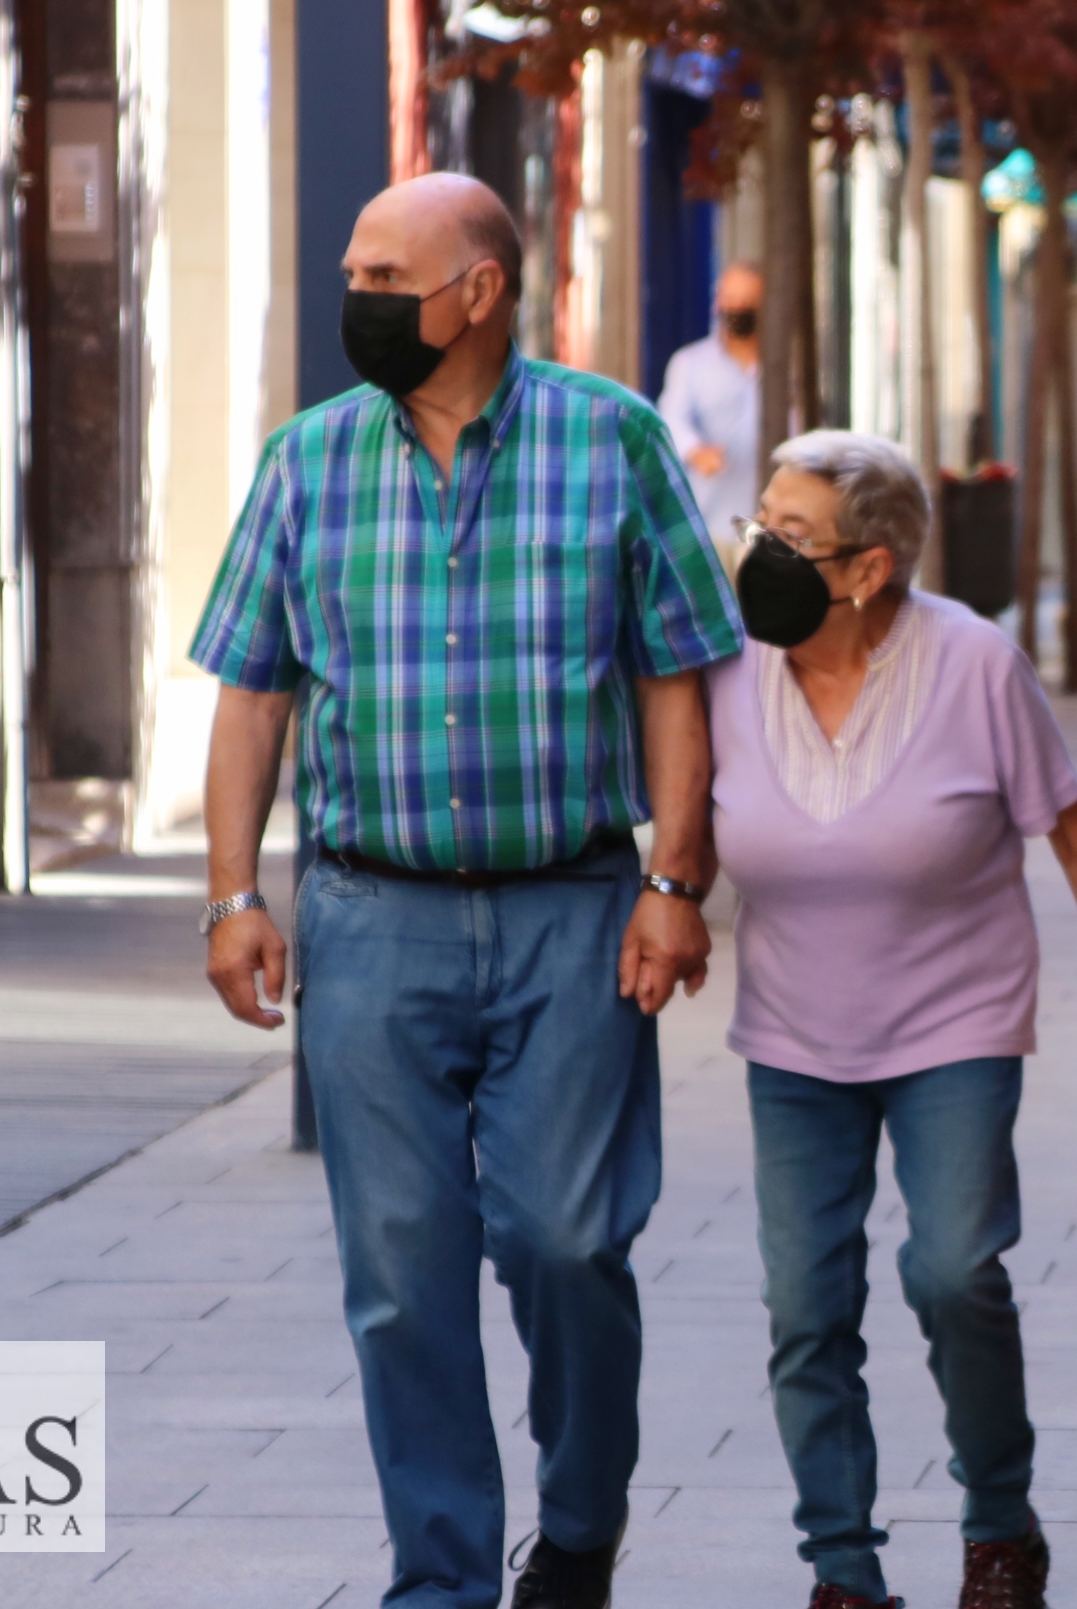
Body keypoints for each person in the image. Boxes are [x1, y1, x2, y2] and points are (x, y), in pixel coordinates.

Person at [192, 175, 741, 1609]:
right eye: (353, 268)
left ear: (480, 291)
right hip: (371, 922)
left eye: (387, 271)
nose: (358, 295)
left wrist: (677, 877)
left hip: (573, 910)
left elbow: (680, 675)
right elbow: (252, 696)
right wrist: (230, 894)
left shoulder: (612, 439)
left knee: (564, 1239)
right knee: (398, 1271)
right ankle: (437, 1579)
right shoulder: (305, 463)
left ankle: (577, 1524)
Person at [711, 431, 1077, 1609]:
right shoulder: (727, 666)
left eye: (792, 538)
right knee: (807, 1306)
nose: (760, 554)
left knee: (953, 1271)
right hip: (795, 1034)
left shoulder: (974, 664)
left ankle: (1000, 1526)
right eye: (760, 524)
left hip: (956, 1021)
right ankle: (843, 1569)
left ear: (871, 567)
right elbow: (684, 821)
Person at [658, 263, 767, 540]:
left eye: (747, 301)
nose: (737, 308)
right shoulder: (690, 363)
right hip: (711, 523)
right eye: (730, 300)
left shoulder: (787, 365)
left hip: (771, 524)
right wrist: (696, 451)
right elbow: (670, 418)